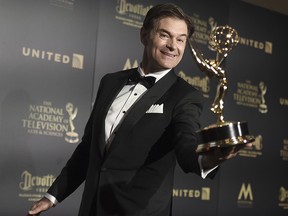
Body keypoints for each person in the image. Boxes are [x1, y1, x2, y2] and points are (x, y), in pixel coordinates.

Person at [28, 3, 252, 216]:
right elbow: (88, 148)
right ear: (144, 35)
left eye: (181, 40)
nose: (173, 46)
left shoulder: (185, 96)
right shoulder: (110, 82)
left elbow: (186, 144)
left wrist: (208, 159)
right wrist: (53, 196)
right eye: (165, 35)